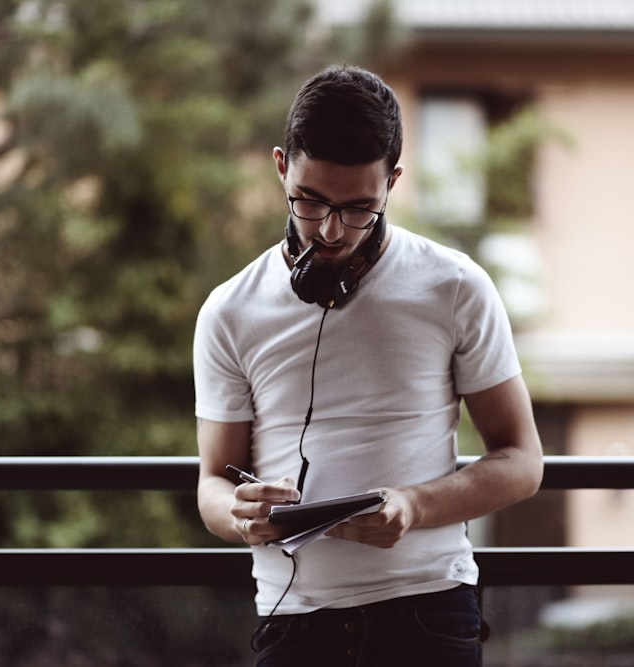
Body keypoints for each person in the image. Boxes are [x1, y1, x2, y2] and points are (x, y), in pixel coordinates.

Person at [194, 64, 543, 667]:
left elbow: (522, 462)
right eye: (309, 201)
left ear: (393, 182)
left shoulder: (456, 286)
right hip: (294, 621)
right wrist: (240, 515)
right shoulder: (229, 310)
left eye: (358, 208)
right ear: (282, 166)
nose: (330, 231)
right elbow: (212, 484)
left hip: (428, 611)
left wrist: (414, 506)